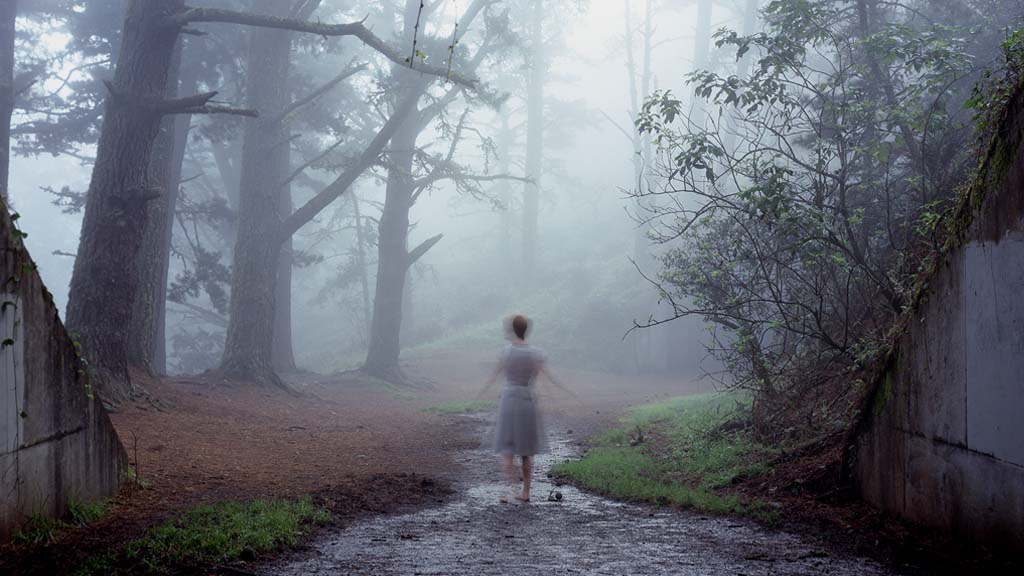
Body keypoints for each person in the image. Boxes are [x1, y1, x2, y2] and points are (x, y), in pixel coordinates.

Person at [479, 314, 572, 503]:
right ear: (526, 329)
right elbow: (544, 378)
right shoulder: (535, 353)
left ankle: (510, 489)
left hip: (509, 398)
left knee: (507, 448)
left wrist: (483, 391)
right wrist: (560, 392)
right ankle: (526, 492)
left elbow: (496, 374)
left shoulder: (506, 352)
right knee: (526, 450)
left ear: (513, 330)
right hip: (527, 399)